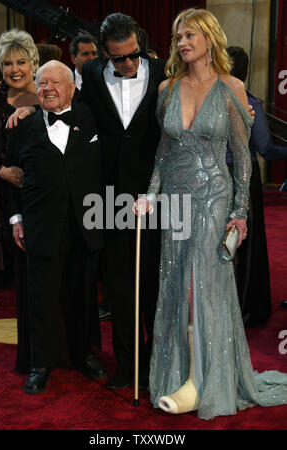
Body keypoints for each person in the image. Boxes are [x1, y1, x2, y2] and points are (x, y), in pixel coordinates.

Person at [135, 8, 287, 420]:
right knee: (175, 281)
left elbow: (242, 158)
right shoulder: (167, 88)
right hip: (175, 202)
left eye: (189, 35)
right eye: (178, 36)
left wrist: (239, 212)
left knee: (199, 285)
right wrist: (149, 195)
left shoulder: (231, 87)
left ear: (209, 37)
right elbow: (163, 153)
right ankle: (185, 371)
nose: (182, 43)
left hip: (214, 196)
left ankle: (201, 382)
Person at [6, 60, 107, 394]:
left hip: (85, 225)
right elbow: (9, 176)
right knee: (42, 297)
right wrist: (16, 218)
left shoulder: (92, 119)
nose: (48, 87)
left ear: (72, 88)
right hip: (41, 226)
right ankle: (40, 363)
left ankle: (84, 355)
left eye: (55, 82)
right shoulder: (22, 126)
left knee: (83, 294)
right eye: (42, 82)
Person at [79, 13, 166, 390]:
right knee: (118, 286)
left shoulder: (164, 72)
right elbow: (70, 109)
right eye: (119, 58)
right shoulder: (93, 76)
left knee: (154, 285)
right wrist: (27, 106)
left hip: (160, 194)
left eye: (134, 54)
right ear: (103, 54)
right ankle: (128, 367)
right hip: (110, 198)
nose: (128, 63)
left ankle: (156, 365)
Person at [0, 29, 39, 374]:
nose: (15, 69)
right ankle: (30, 353)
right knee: (17, 276)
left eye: (21, 61)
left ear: (33, 63)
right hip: (2, 196)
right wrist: (0, 170)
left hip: (41, 195)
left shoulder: (50, 94)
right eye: (8, 63)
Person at [226, 46, 287, 326]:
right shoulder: (250, 102)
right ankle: (245, 307)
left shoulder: (207, 99)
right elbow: (267, 149)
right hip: (243, 179)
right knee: (246, 245)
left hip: (213, 179)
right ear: (247, 71)